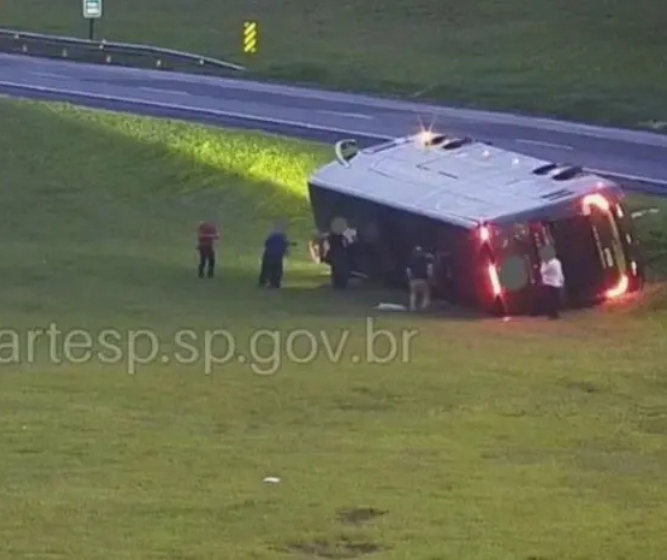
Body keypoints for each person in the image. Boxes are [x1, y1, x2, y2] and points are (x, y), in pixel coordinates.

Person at [258, 221, 290, 288]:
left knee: (267, 268)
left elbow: (266, 244)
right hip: (278, 257)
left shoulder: (272, 236)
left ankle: (264, 281)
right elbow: (285, 248)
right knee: (277, 270)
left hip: (269, 255)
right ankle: (275, 283)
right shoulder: (283, 238)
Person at [539, 248, 565, 319]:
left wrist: (543, 264)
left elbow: (542, 271)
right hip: (556, 282)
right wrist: (561, 280)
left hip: (549, 283)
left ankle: (552, 314)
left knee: (550, 300)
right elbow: (560, 271)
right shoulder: (557, 262)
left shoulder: (548, 262)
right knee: (555, 299)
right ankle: (555, 313)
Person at [406, 246, 433, 311]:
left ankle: (412, 307)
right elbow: (429, 269)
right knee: (426, 294)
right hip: (423, 279)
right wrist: (430, 277)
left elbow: (408, 270)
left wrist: (409, 278)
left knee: (413, 294)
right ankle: (423, 307)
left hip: (413, 280)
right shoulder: (425, 260)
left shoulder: (411, 260)